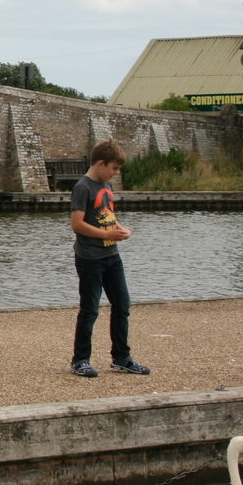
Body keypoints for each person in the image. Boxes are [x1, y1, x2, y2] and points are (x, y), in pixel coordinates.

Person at [70, 139, 150, 378]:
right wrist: (107, 233)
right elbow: (77, 224)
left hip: (111, 256)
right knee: (90, 310)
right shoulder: (83, 187)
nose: (117, 173)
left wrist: (120, 229)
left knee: (122, 305)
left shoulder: (107, 186)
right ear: (101, 164)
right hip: (90, 257)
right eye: (114, 168)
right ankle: (80, 360)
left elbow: (107, 215)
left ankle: (122, 358)